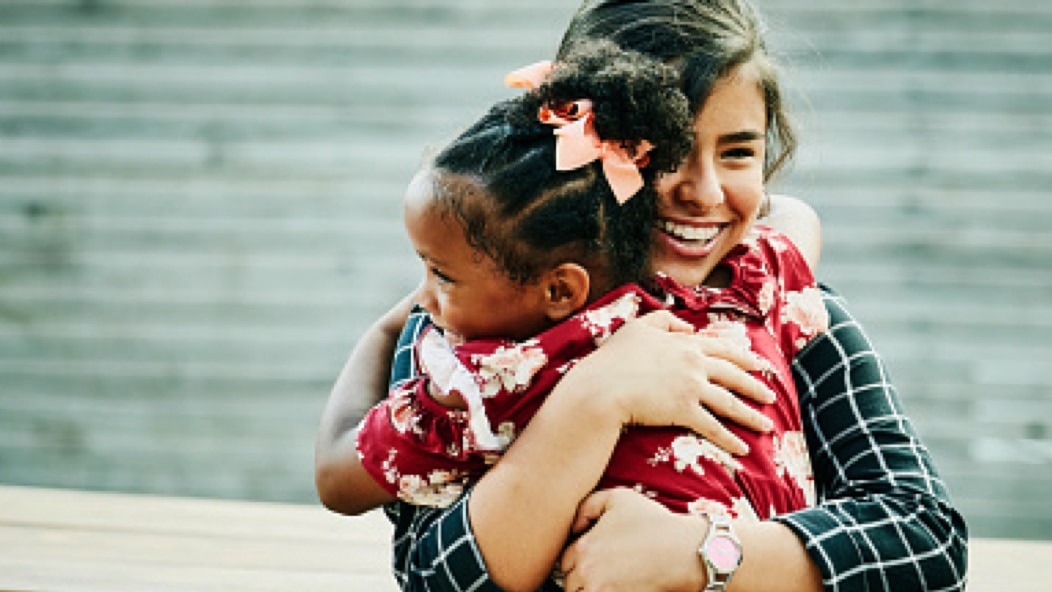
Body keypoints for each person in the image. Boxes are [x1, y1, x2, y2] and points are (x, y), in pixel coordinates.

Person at [314, 1, 968, 591]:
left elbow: (927, 544)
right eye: (670, 155)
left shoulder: (787, 306)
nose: (706, 193)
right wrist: (596, 398)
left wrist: (702, 554)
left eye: (739, 153)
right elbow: (432, 577)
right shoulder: (473, 329)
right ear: (580, 152)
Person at [344, 40, 825, 527]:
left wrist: (383, 331)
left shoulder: (503, 372)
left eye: (442, 275)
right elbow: (794, 218)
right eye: (673, 158)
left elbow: (338, 477)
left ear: (559, 290)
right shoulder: (752, 287)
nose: (705, 194)